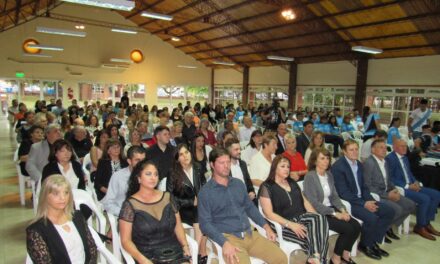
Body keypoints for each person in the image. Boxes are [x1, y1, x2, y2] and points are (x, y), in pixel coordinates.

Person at [198, 148, 287, 264]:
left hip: (249, 234)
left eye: (228, 162)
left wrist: (266, 227)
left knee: (281, 258)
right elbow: (205, 224)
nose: (226, 166)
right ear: (212, 165)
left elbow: (250, 208)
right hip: (229, 238)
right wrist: (224, 242)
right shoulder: (205, 192)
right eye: (221, 163)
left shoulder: (238, 184)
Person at [331, 139, 394, 260]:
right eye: (351, 150)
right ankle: (365, 245)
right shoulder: (338, 167)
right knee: (372, 217)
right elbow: (344, 193)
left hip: (363, 199)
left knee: (388, 211)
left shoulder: (359, 164)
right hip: (350, 203)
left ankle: (373, 241)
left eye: (356, 149)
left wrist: (370, 200)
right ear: (344, 152)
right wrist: (364, 203)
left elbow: (364, 186)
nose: (355, 152)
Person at [259, 155, 328, 264]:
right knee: (313, 237)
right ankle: (319, 259)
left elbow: (305, 202)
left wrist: (318, 220)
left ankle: (315, 257)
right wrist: (290, 224)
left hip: (301, 217)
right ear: (274, 168)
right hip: (282, 223)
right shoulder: (267, 186)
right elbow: (268, 214)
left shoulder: (292, 182)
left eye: (288, 166)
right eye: (282, 166)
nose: (286, 169)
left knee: (320, 222)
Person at [119, 160, 191, 263]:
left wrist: (185, 245)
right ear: (139, 178)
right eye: (148, 174)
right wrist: (142, 260)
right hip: (146, 255)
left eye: (156, 174)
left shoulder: (168, 197)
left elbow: (178, 225)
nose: (153, 178)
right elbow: (126, 241)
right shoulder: (130, 205)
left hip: (173, 251)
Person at [303, 148, 361, 264]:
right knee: (348, 229)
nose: (326, 161)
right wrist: (335, 214)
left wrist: (343, 210)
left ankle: (345, 253)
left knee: (356, 226)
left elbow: (334, 196)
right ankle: (335, 258)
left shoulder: (329, 175)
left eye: (327, 158)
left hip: (332, 209)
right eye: (322, 158)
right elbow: (314, 203)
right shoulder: (310, 177)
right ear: (315, 161)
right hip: (319, 213)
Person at [26, 175, 97, 263]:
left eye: (66, 192)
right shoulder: (36, 231)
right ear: (45, 196)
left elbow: (92, 249)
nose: (62, 198)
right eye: (56, 193)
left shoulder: (77, 216)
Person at [385, 139, 440, 240]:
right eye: (402, 146)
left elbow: (409, 173)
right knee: (425, 199)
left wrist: (416, 182)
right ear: (395, 147)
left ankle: (426, 223)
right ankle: (420, 226)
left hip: (411, 185)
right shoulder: (390, 159)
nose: (405, 148)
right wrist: (407, 186)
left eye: (405, 146)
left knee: (436, 194)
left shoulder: (405, 158)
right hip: (402, 188)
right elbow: (391, 178)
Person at [363, 139, 416, 243]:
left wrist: (394, 188)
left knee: (410, 205)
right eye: (380, 147)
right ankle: (381, 231)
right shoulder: (369, 163)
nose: (384, 150)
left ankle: (387, 227)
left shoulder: (385, 162)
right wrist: (387, 195)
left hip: (388, 191)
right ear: (373, 150)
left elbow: (388, 180)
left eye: (385, 148)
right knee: (397, 209)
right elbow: (368, 186)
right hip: (377, 195)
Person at [166, 144, 208, 263]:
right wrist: (190, 201)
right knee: (202, 214)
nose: (185, 156)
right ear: (177, 158)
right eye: (181, 154)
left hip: (199, 208)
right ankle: (199, 252)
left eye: (187, 152)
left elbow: (205, 186)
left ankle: (198, 251)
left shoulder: (198, 167)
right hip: (183, 209)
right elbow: (170, 197)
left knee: (204, 213)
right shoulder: (172, 173)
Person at [102, 146, 146, 216]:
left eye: (143, 160)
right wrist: (125, 214)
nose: (141, 163)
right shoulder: (118, 176)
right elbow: (108, 203)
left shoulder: (148, 176)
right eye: (137, 160)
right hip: (123, 214)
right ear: (129, 161)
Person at [225, 138, 257, 204]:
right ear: (228, 151)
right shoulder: (225, 167)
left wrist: (251, 192)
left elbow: (248, 182)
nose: (239, 151)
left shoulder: (243, 164)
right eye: (236, 150)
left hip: (246, 199)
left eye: (240, 149)